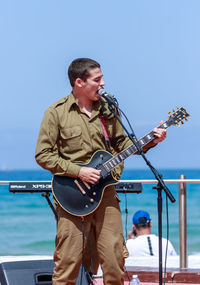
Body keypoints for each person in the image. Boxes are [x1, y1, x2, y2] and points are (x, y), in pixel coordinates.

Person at [35, 58, 167, 285]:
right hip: (71, 197)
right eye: (97, 79)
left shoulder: (108, 109)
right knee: (67, 264)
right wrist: (79, 172)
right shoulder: (56, 113)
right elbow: (43, 154)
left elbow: (123, 145)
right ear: (79, 82)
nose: (103, 83)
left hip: (106, 196)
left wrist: (151, 141)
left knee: (114, 259)